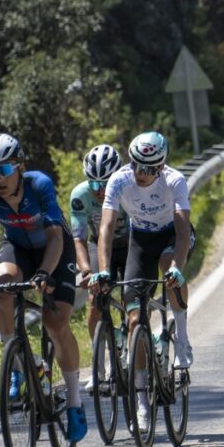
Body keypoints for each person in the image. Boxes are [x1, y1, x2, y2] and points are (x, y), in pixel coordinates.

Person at [0, 134, 86, 442]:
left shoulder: (39, 184)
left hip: (55, 250)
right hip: (18, 248)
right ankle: (16, 363)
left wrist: (45, 272)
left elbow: (55, 237)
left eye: (4, 170)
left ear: (20, 166)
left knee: (55, 323)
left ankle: (74, 401)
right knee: (1, 287)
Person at [89, 132, 195, 429]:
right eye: (136, 164)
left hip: (171, 237)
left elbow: (183, 230)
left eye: (148, 168)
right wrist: (104, 270)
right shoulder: (119, 180)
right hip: (141, 240)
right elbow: (106, 229)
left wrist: (176, 267)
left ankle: (182, 339)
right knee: (134, 318)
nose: (141, 172)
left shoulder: (174, 181)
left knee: (168, 268)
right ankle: (141, 401)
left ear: (161, 166)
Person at [70, 144, 129, 393]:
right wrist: (86, 272)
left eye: (105, 183)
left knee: (132, 296)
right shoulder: (80, 196)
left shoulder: (128, 190)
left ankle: (135, 343)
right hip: (99, 245)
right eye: (94, 183)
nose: (100, 190)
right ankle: (98, 368)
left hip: (130, 244)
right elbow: (79, 240)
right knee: (95, 300)